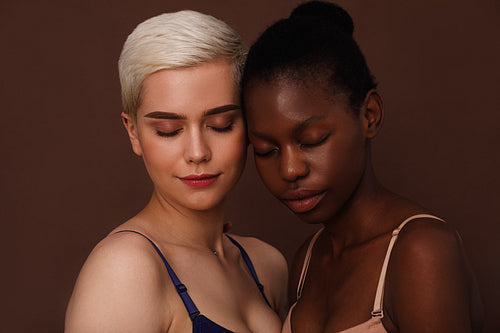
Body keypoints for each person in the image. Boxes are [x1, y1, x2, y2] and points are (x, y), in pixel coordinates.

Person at [241, 1, 483, 332]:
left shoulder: (421, 252)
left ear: (369, 115)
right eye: (266, 150)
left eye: (311, 140)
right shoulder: (306, 262)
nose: (289, 170)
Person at [65, 10, 287, 333]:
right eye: (169, 130)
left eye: (220, 125)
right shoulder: (125, 270)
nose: (198, 152)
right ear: (133, 133)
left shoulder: (268, 266)